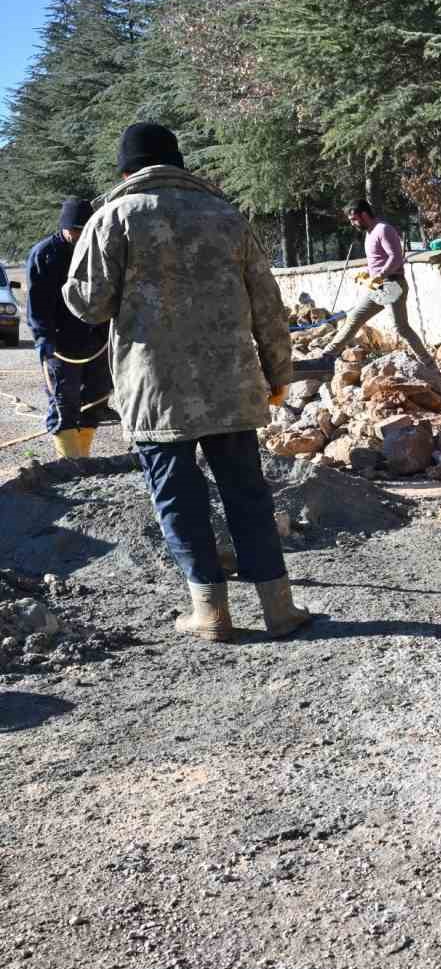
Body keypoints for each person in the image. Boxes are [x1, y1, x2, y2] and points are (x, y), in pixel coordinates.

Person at [62, 121, 311, 643]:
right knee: (247, 492)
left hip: (156, 391)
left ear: (127, 170)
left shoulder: (113, 218)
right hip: (231, 384)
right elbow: (268, 303)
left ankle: (210, 612)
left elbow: (89, 305)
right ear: (178, 165)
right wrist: (278, 373)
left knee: (177, 496)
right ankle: (279, 608)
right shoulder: (226, 216)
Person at [27, 198, 112, 458]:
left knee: (95, 399)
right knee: (64, 402)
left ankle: (83, 458)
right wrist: (43, 338)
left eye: (84, 229)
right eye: (74, 230)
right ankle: (70, 464)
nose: (79, 235)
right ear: (64, 227)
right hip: (60, 342)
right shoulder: (44, 254)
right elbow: (37, 303)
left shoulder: (98, 250)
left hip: (97, 339)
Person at [311, 199, 432, 368]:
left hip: (392, 285)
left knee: (401, 328)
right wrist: (368, 272)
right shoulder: (370, 233)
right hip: (381, 286)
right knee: (355, 318)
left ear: (364, 214)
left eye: (354, 219)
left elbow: (396, 258)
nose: (352, 223)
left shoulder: (384, 230)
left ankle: (429, 364)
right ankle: (327, 356)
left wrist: (381, 274)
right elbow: (378, 260)